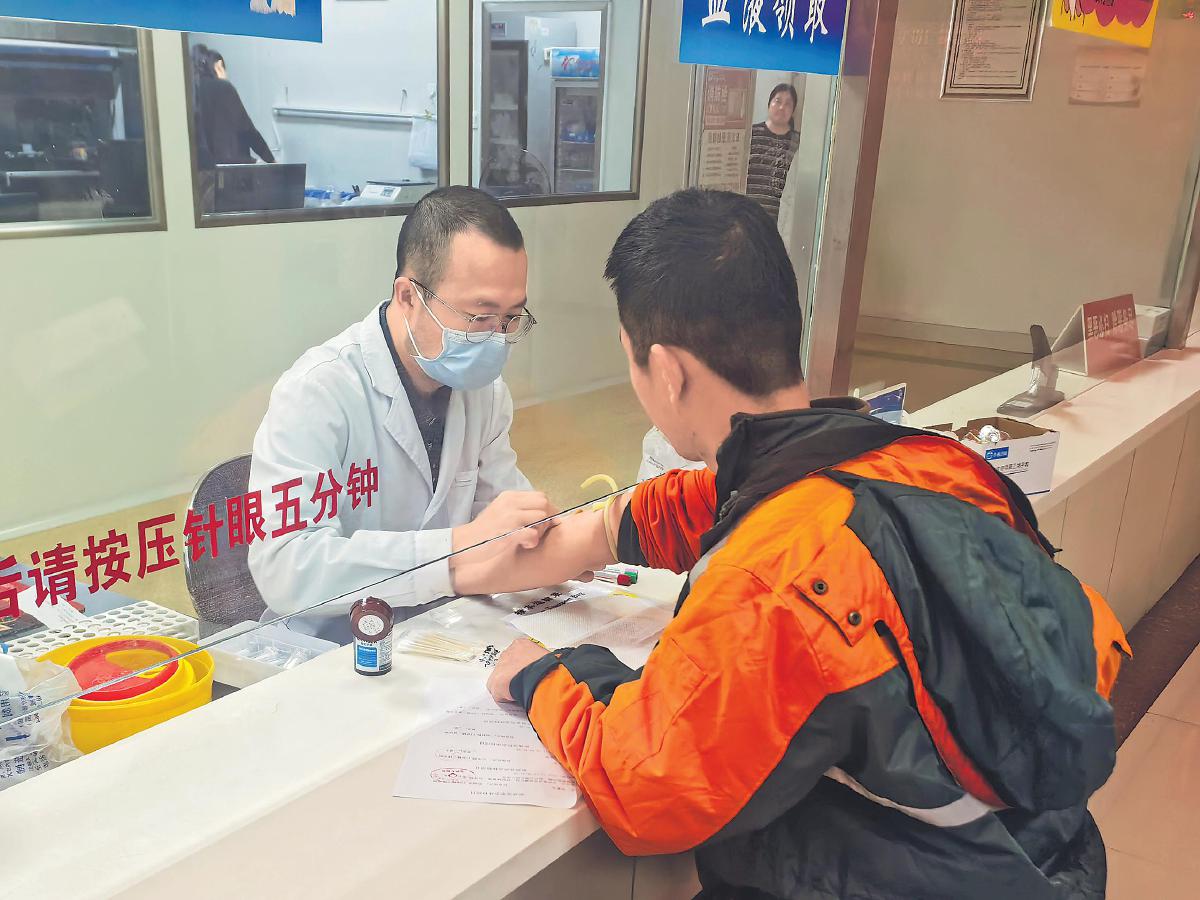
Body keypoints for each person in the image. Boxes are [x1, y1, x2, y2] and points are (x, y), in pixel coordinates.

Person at [460, 190, 1130, 899]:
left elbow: (647, 788)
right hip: (1042, 854)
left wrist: (545, 675)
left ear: (667, 370)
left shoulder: (773, 574)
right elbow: (700, 506)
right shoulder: (927, 463)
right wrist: (567, 540)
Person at [248, 186, 555, 643]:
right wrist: (455, 550)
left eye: (511, 318)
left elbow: (504, 516)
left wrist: (552, 539)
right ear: (409, 296)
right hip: (329, 644)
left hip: (440, 631)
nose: (497, 338)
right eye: (480, 317)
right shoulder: (318, 391)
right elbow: (288, 566)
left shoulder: (484, 392)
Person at [191, 44, 275, 168]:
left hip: (200, 168)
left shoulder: (189, 90)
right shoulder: (224, 88)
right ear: (218, 66)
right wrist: (271, 160)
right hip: (231, 166)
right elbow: (247, 129)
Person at [745, 83, 800, 222]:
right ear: (769, 104)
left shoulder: (798, 143)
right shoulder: (750, 134)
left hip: (781, 221)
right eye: (778, 101)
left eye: (788, 104)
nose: (782, 107)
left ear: (793, 111)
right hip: (748, 216)